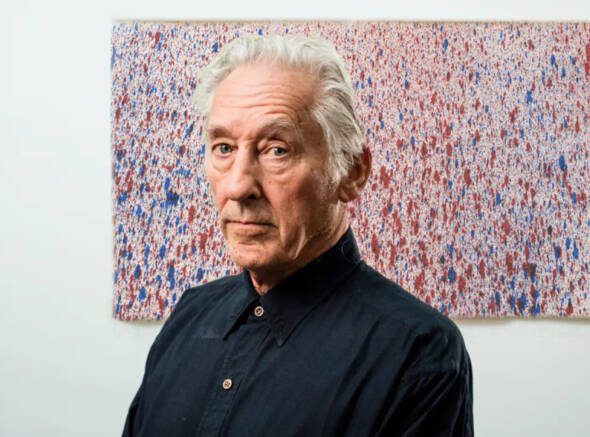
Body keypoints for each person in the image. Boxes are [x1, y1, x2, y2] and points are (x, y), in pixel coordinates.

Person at [122, 34, 473, 436]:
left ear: (352, 171)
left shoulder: (416, 352)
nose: (238, 186)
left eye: (277, 150)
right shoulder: (190, 314)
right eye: (223, 148)